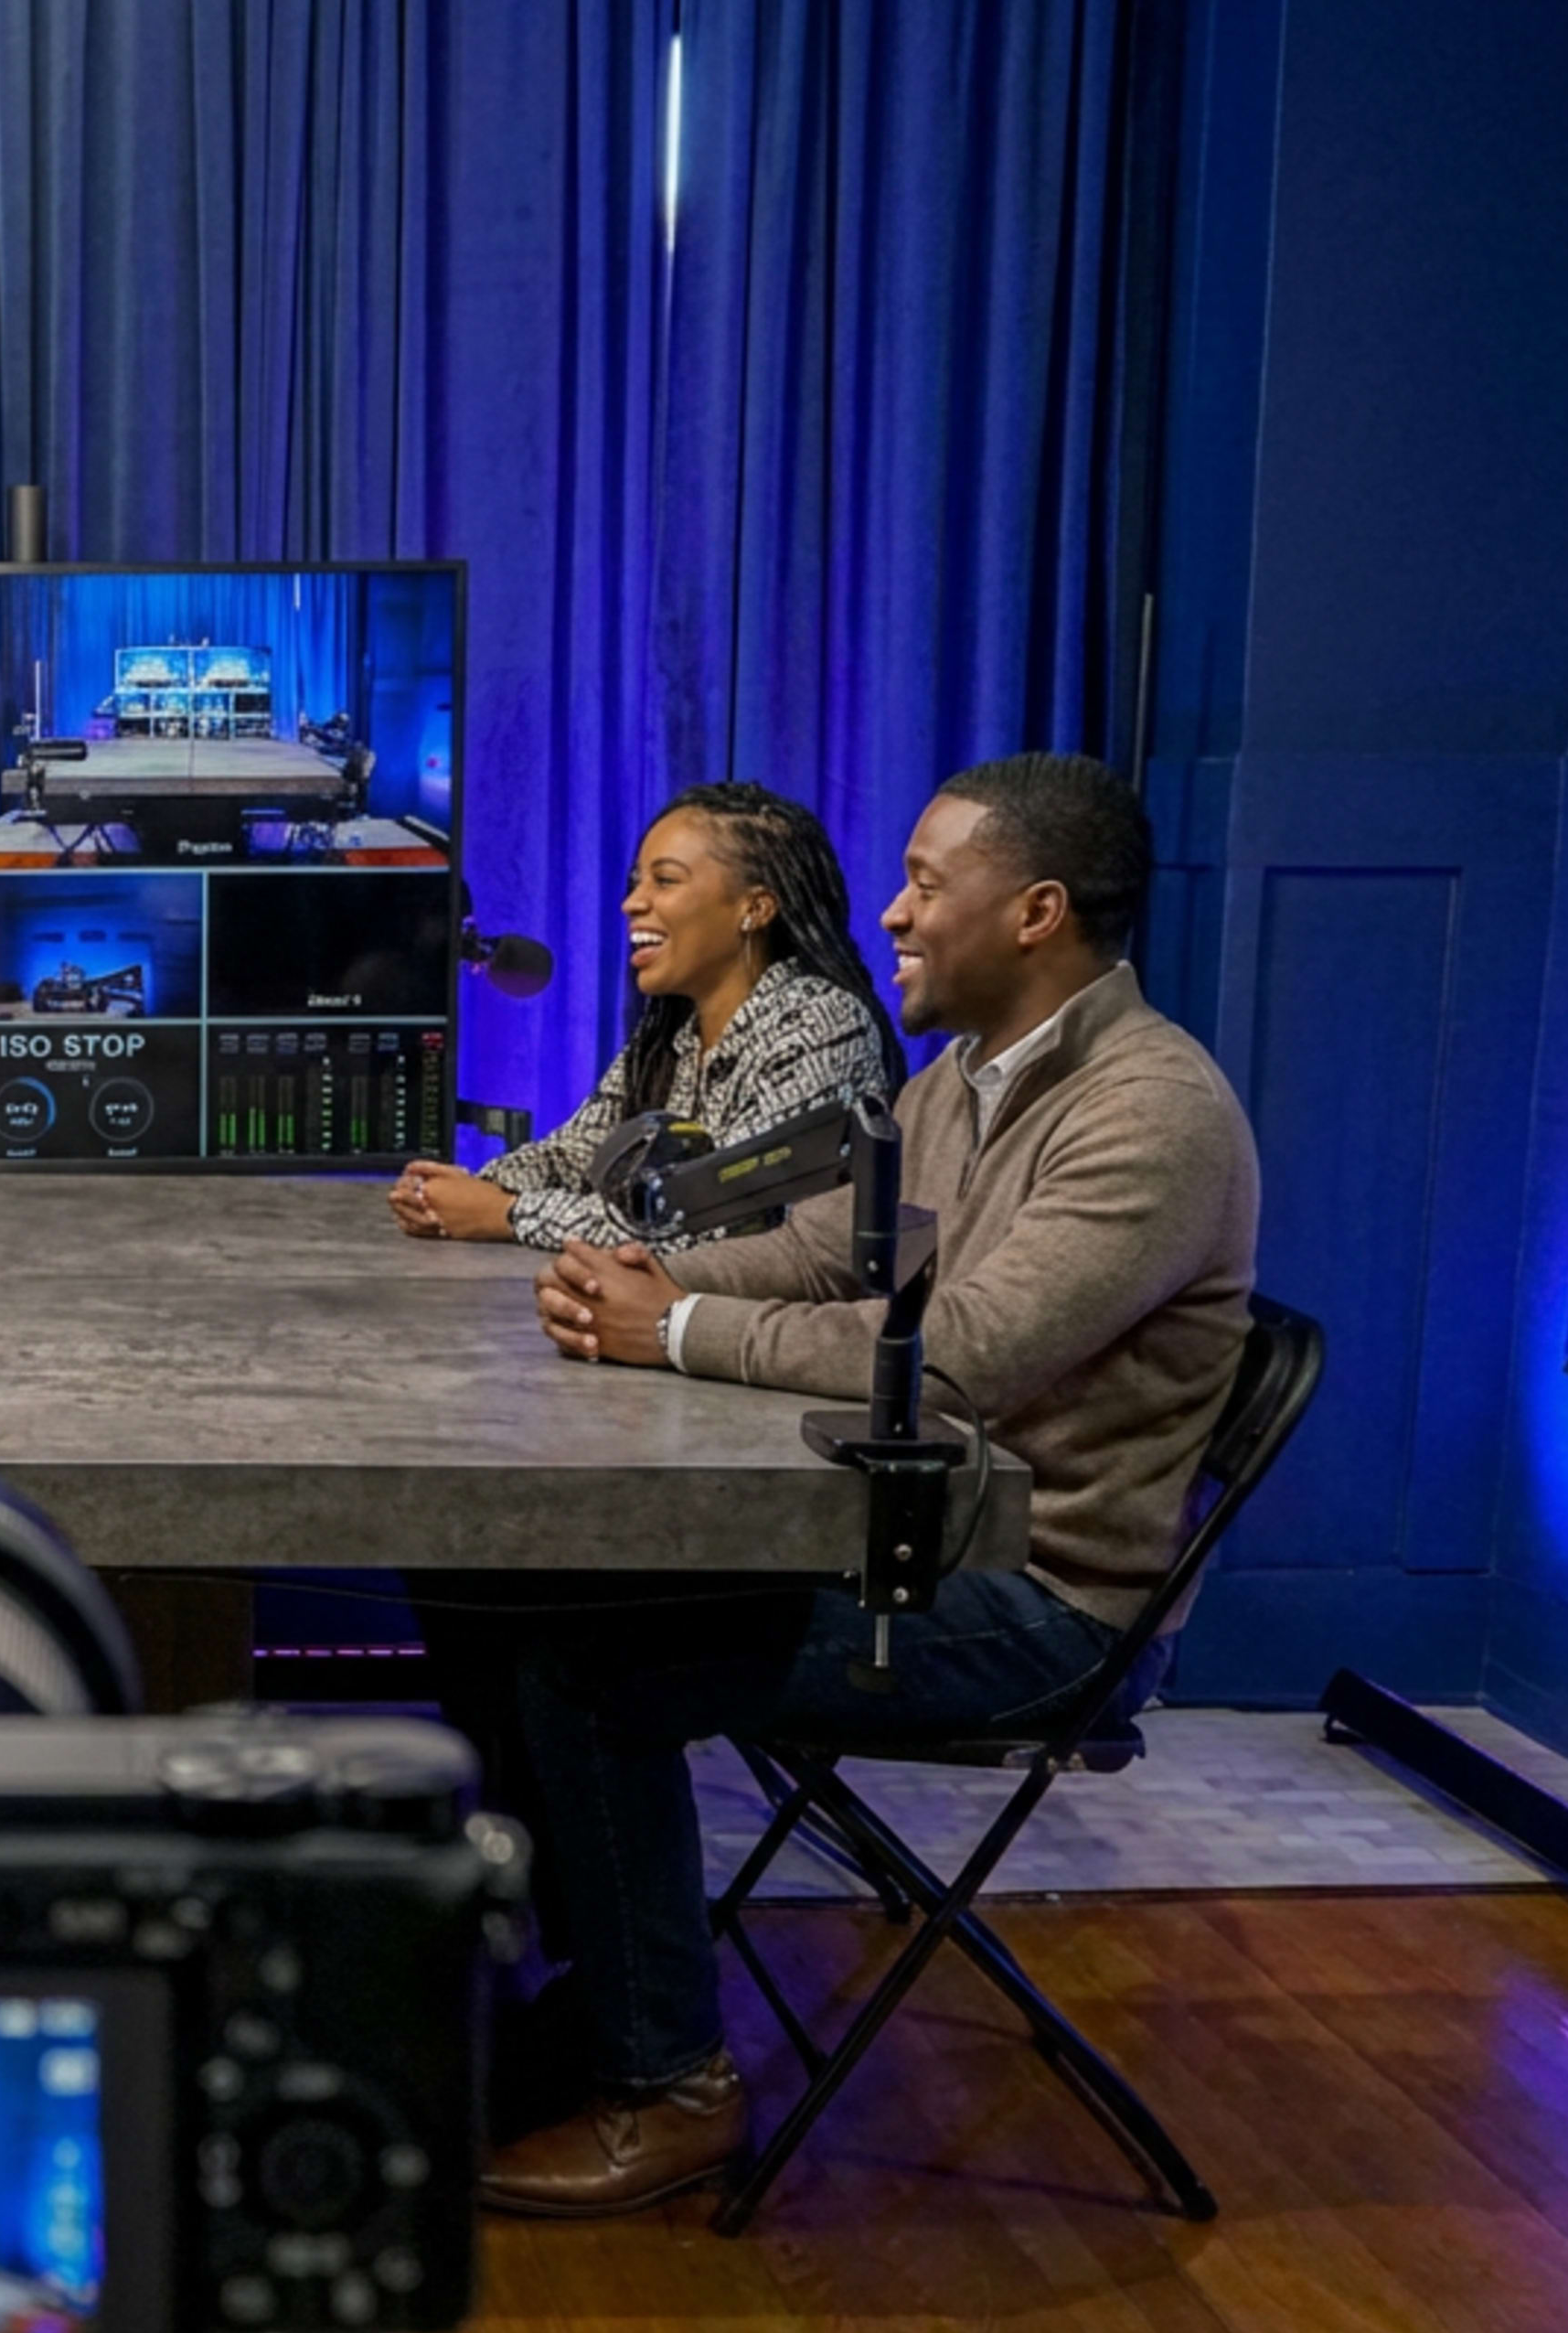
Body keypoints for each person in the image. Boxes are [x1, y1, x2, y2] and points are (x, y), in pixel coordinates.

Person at [481, 752, 1258, 2218]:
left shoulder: (1151, 1112)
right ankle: (610, 1995)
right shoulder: (967, 1072)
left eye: (923, 881)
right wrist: (650, 1275)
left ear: (1035, 913)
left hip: (1039, 1600)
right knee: (534, 1590)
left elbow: (956, 1358)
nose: (892, 913)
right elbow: (840, 1250)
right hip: (918, 1531)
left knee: (590, 1665)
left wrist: (683, 1331)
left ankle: (672, 2089)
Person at [387, 782, 899, 1250]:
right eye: (636, 882)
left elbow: (719, 1222)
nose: (633, 903)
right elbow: (574, 1154)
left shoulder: (822, 1024)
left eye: (665, 881)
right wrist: (467, 1191)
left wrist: (509, 1213)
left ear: (755, 908)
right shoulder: (673, 1034)